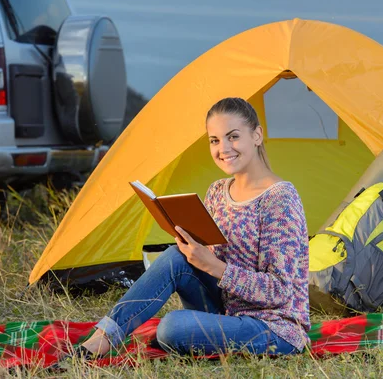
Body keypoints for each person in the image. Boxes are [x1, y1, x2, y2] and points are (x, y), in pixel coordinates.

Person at [76, 97, 310, 358]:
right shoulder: (218, 191)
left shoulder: (280, 199)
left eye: (233, 136)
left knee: (173, 326)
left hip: (272, 328)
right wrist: (191, 248)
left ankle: (183, 333)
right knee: (176, 256)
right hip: (227, 312)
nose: (224, 148)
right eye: (215, 140)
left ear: (256, 135)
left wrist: (213, 266)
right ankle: (104, 337)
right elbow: (208, 263)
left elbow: (280, 291)